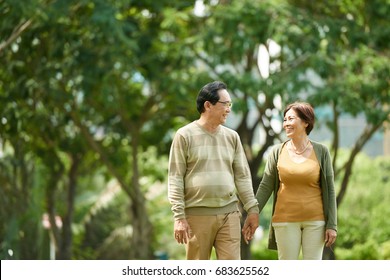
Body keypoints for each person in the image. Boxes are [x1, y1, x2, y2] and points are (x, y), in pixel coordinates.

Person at [168, 81, 259, 260]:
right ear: (208, 105)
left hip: (229, 213)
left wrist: (252, 209)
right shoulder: (184, 135)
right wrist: (179, 217)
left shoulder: (232, 137)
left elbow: (242, 177)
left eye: (230, 104)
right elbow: (175, 177)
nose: (229, 109)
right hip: (196, 215)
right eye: (225, 104)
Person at [255, 102, 337, 260]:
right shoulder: (276, 151)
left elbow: (330, 189)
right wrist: (253, 212)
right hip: (285, 220)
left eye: (290, 119)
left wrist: (332, 225)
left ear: (306, 122)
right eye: (284, 120)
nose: (286, 123)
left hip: (316, 221)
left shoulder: (321, 151)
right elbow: (265, 185)